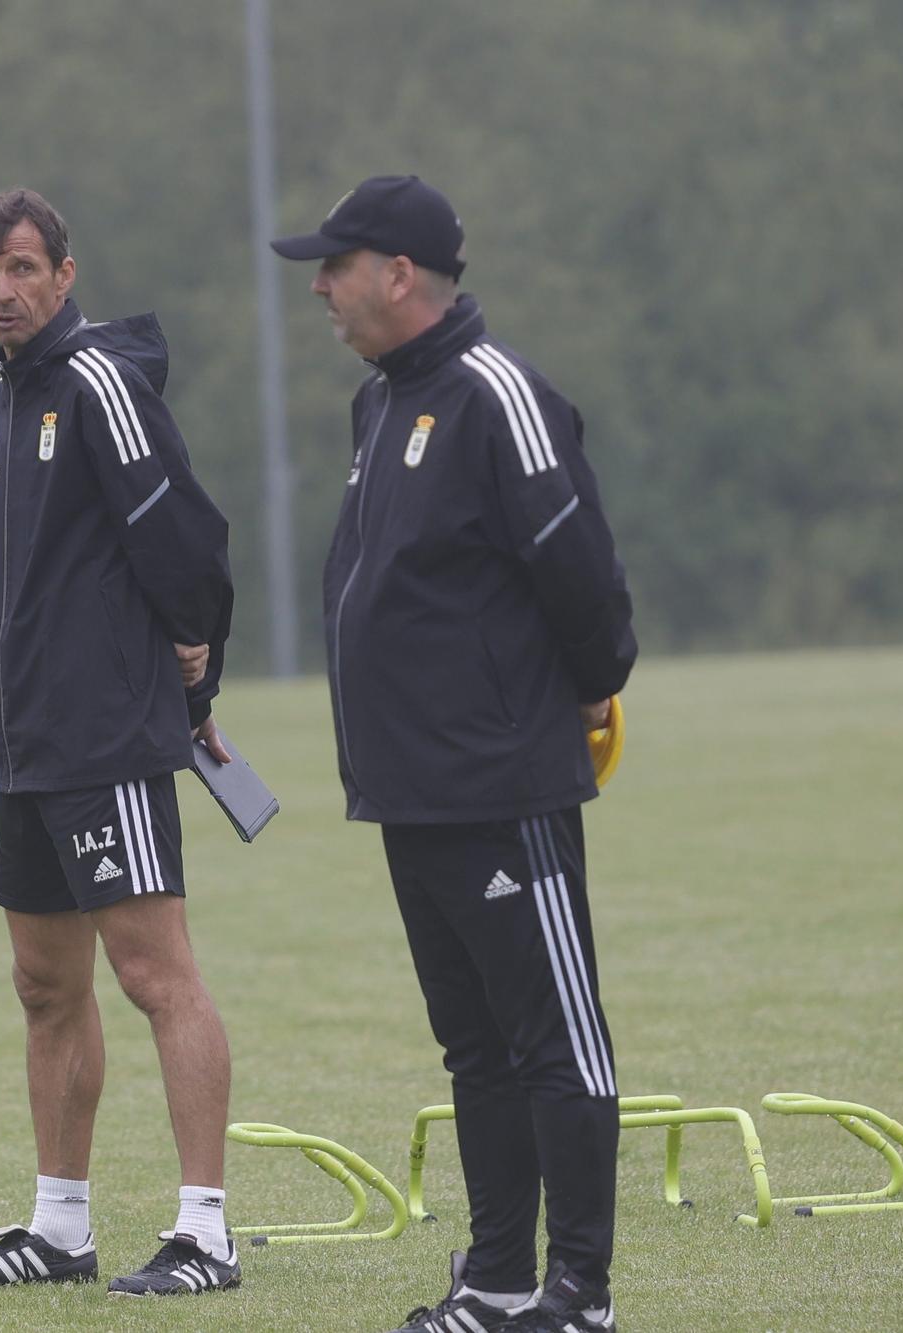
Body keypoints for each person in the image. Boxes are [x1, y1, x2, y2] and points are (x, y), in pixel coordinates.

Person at [271, 175, 637, 1333]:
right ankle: (495, 1281)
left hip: (501, 780)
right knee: (473, 1047)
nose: (319, 286)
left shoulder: (497, 395)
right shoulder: (378, 405)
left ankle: (578, 1295)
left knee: (551, 1037)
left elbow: (581, 578)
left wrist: (589, 688)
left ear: (398, 274)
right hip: (410, 792)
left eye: (335, 265)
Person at [0, 188, 242, 1298]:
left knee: (157, 976)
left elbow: (186, 540)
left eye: (20, 267)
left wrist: (199, 652)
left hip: (104, 737)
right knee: (42, 985)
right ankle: (58, 1227)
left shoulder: (103, 385)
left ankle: (205, 1232)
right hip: (22, 746)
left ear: (64, 273)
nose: (2, 291)